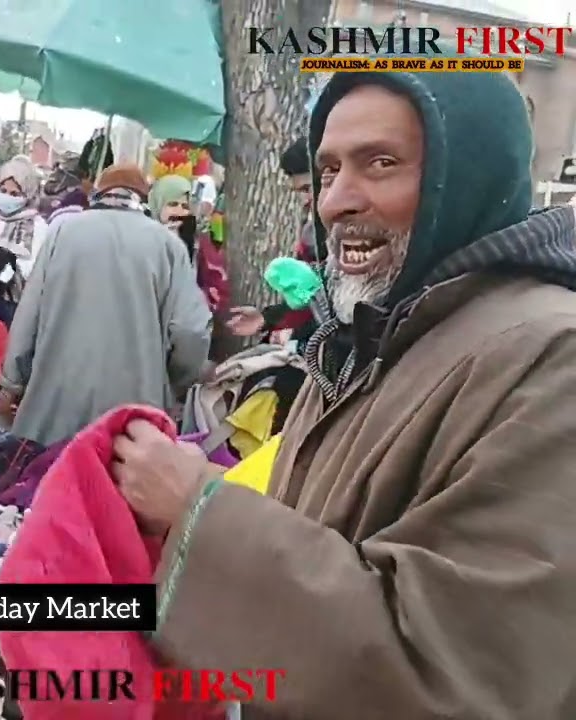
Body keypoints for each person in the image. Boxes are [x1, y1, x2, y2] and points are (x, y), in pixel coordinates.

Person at [114, 70, 576, 718]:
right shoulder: (371, 334)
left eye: (380, 163)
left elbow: (449, 675)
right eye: (328, 172)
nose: (336, 201)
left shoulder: (552, 358)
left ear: (465, 177)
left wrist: (197, 508)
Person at [0, 164, 211, 446]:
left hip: (56, 405)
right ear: (143, 198)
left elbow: (28, 318)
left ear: (99, 193)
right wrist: (172, 385)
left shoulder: (63, 234)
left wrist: (12, 384)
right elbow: (191, 331)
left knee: (50, 480)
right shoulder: (167, 245)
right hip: (133, 421)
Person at [227, 136, 321, 340]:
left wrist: (295, 338)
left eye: (308, 188)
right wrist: (266, 319)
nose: (305, 200)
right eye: (300, 192)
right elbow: (307, 298)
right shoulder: (311, 229)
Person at [147, 174, 229, 316]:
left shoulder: (199, 242)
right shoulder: (143, 238)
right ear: (158, 205)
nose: (179, 211)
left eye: (185, 206)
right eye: (172, 204)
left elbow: (217, 285)